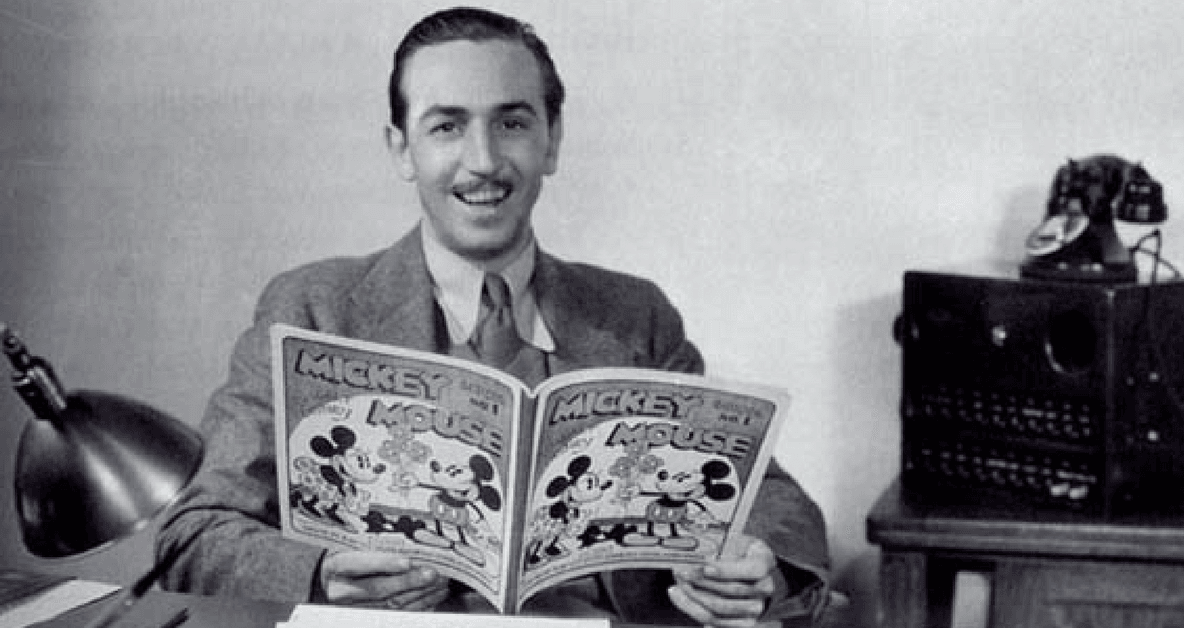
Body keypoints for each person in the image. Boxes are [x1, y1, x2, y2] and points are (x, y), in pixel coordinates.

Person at [156, 7, 831, 627]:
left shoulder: (636, 315)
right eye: (446, 126)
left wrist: (759, 565)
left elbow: (772, 500)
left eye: (511, 123)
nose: (482, 162)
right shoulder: (309, 310)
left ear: (552, 140)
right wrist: (322, 573)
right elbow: (195, 534)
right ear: (401, 149)